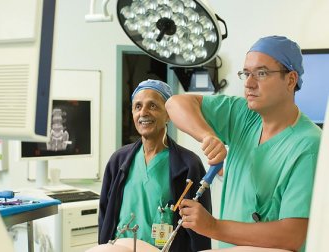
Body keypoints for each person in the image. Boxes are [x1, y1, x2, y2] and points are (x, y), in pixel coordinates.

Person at [165, 36, 322, 251]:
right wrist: (207, 136)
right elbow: (175, 104)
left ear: (290, 79)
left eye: (261, 73)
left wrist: (212, 226)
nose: (248, 83)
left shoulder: (309, 145)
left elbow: (291, 235)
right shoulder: (244, 115)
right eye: (246, 73)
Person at [98, 79, 212, 251]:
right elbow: (105, 215)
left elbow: (201, 228)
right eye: (137, 106)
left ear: (168, 115)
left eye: (152, 106)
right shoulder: (119, 161)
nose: (143, 112)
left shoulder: (189, 164)